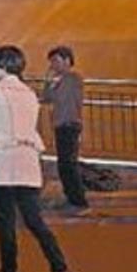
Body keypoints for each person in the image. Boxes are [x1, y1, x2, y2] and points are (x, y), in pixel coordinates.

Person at [0, 45, 80, 272]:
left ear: (1, 65)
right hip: (29, 161)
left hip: (2, 163)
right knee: (34, 220)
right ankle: (61, 270)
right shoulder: (29, 94)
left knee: (6, 223)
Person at [41, 46, 89, 215]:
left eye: (56, 60)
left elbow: (56, 97)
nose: (52, 65)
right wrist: (48, 82)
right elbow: (45, 98)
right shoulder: (59, 79)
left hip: (69, 126)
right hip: (62, 126)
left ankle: (79, 201)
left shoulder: (72, 79)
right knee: (65, 165)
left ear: (67, 60)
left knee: (68, 165)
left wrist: (54, 82)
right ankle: (72, 199)